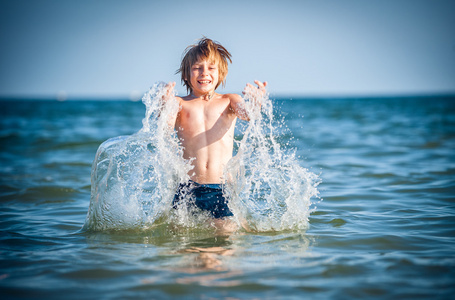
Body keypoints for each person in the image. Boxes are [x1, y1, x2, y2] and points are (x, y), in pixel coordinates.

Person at [164, 37, 267, 232]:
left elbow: (248, 115)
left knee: (224, 234)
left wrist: (257, 102)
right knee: (178, 238)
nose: (204, 73)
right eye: (197, 67)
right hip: (187, 189)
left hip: (219, 189)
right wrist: (163, 105)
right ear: (186, 74)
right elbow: (165, 128)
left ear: (220, 74)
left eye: (211, 68)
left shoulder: (229, 101)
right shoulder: (179, 103)